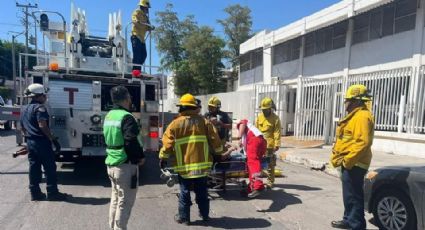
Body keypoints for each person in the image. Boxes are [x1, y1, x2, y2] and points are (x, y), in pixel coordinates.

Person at [159, 93, 223, 225]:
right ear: (194, 107)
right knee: (202, 191)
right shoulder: (205, 122)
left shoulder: (175, 124)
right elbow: (215, 141)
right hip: (202, 166)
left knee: (184, 191)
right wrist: (218, 154)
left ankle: (184, 218)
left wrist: (163, 158)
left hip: (185, 167)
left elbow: (167, 144)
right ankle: (205, 216)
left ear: (181, 108)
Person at [330, 84, 374, 230]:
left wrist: (348, 161)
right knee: (349, 195)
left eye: (348, 100)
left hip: (355, 163)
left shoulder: (362, 116)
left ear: (356, 100)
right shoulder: (355, 115)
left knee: (354, 196)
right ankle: (348, 219)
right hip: (351, 162)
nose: (346, 103)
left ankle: (356, 225)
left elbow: (364, 143)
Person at [103, 86, 145, 230]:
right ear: (127, 98)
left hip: (112, 163)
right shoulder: (127, 117)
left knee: (115, 199)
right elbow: (130, 141)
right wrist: (140, 157)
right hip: (125, 165)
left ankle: (113, 227)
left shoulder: (109, 115)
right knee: (125, 202)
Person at [20, 83, 68, 201]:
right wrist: (52, 138)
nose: (45, 97)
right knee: (50, 168)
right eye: (44, 95)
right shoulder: (40, 108)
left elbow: (21, 127)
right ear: (38, 95)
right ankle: (53, 193)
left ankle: (35, 193)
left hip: (30, 142)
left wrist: (29, 138)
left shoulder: (25, 109)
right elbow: (42, 125)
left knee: (34, 168)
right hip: (41, 142)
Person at [236, 119, 267, 198]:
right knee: (252, 166)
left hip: (254, 140)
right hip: (261, 141)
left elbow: (243, 123)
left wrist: (239, 137)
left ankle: (258, 185)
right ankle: (251, 188)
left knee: (252, 162)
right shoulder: (248, 133)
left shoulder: (243, 123)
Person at [255, 97, 281, 188]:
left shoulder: (275, 118)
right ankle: (258, 181)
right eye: (263, 109)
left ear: (270, 108)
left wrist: (277, 144)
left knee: (270, 165)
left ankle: (270, 181)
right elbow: (255, 130)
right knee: (258, 164)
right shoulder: (259, 117)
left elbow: (277, 132)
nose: (264, 111)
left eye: (266, 109)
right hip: (259, 144)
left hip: (269, 145)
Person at [131, 0, 154, 76]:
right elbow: (134, 18)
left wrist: (151, 27)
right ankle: (135, 72)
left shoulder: (146, 17)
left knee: (144, 55)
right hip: (136, 36)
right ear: (143, 7)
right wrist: (136, 20)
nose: (147, 10)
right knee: (137, 55)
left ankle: (137, 71)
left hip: (142, 39)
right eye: (147, 8)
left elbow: (148, 26)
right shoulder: (137, 12)